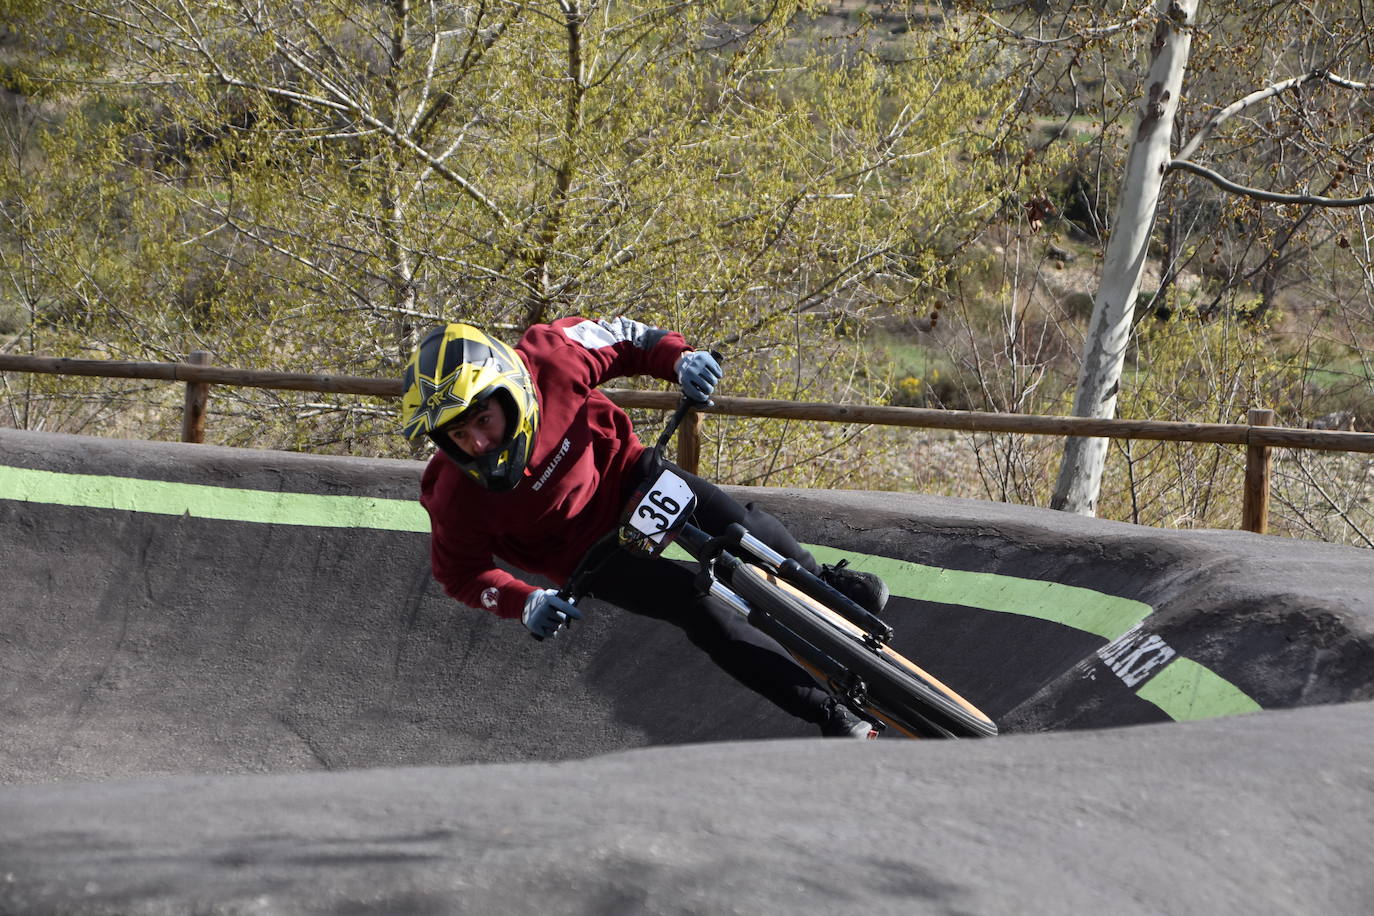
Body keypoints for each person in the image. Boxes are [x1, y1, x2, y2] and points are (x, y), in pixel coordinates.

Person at [400, 316, 890, 739]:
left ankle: (821, 583)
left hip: (629, 475)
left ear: (512, 390)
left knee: (741, 526)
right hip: (592, 556)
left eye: (484, 419)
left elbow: (630, 338)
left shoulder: (552, 358)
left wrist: (681, 361)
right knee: (702, 613)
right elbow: (459, 574)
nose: (480, 444)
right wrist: (522, 600)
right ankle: (830, 713)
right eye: (460, 435)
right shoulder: (453, 495)